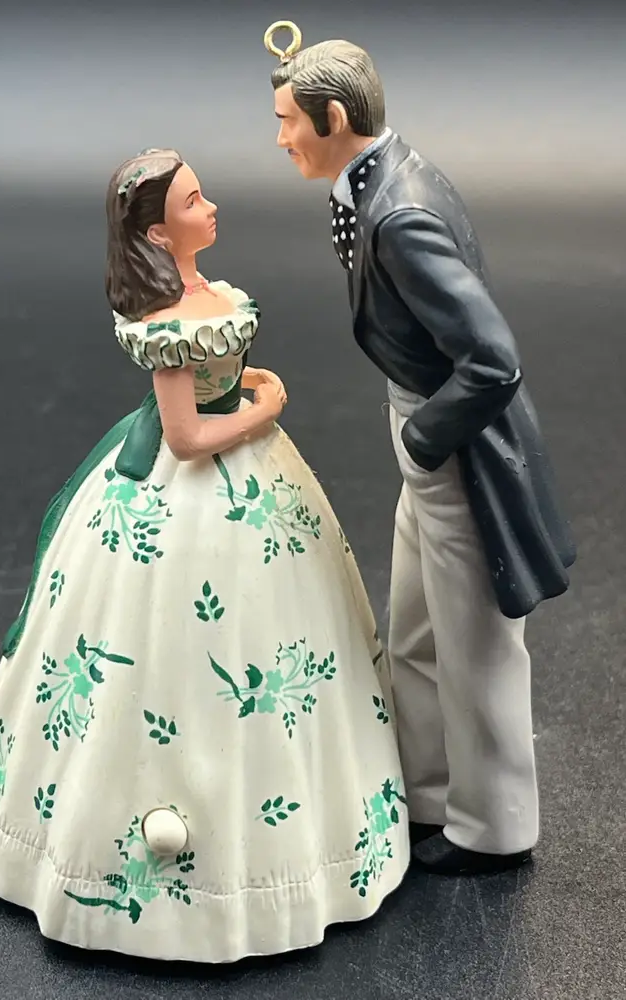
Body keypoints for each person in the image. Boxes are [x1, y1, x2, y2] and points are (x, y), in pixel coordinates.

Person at [0, 147, 409, 962]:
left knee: (281, 632)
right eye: (194, 203)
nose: (212, 208)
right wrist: (267, 406)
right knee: (155, 643)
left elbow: (216, 383)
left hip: (254, 481)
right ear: (160, 235)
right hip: (195, 487)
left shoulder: (213, 298)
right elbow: (188, 436)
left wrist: (245, 387)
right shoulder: (168, 323)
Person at [263, 22, 576, 876]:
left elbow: (493, 360)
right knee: (415, 632)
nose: (280, 138)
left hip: (455, 447)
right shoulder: (380, 181)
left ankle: (494, 827)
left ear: (332, 119)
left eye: (288, 120)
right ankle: (430, 792)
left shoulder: (398, 214)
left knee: (475, 647)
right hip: (427, 437)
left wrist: (423, 438)